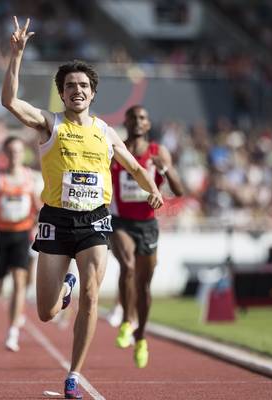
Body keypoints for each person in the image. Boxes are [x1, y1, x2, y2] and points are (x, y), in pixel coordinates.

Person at [1, 17, 163, 399]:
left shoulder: (105, 132)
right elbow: (9, 101)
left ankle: (73, 374)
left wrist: (152, 187)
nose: (77, 90)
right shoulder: (49, 124)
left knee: (93, 294)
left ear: (93, 94)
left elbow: (135, 166)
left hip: (95, 222)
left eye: (84, 86)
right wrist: (17, 54)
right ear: (62, 92)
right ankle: (66, 286)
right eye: (70, 85)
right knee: (46, 312)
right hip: (56, 221)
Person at [110, 105, 184, 368]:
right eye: (133, 117)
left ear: (148, 124)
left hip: (147, 224)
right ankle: (127, 321)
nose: (138, 121)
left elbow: (178, 190)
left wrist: (164, 170)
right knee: (127, 265)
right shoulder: (117, 149)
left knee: (143, 286)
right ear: (126, 121)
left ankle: (141, 338)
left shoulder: (157, 151)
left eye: (143, 117)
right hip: (119, 221)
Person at [0, 135, 41, 352]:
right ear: (5, 154)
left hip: (23, 235)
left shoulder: (31, 178)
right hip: (1, 235)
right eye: (11, 151)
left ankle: (12, 332)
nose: (15, 155)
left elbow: (39, 207)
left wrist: (39, 223)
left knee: (20, 282)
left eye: (18, 151)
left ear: (23, 154)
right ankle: (12, 306)